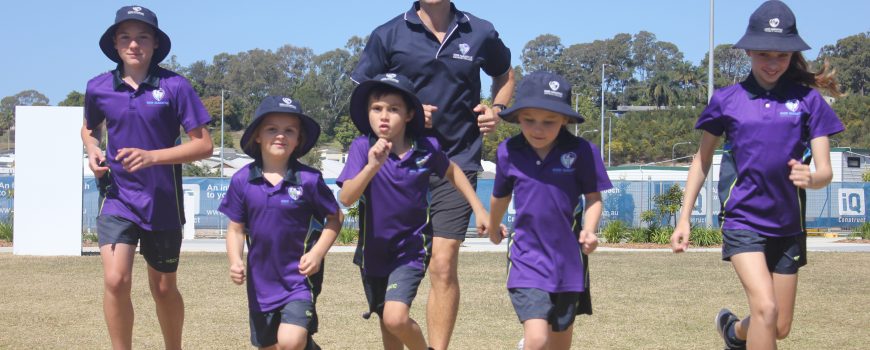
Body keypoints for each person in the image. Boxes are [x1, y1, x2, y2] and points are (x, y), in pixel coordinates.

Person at [669, 2, 845, 349]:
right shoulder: (726, 100)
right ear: (748, 50)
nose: (772, 62)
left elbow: (825, 170)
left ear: (792, 54)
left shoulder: (808, 101)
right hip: (743, 220)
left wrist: (814, 178)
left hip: (788, 227)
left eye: (781, 55)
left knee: (779, 325)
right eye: (764, 53)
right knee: (764, 308)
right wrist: (684, 218)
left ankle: (734, 333)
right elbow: (701, 160)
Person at [351, 2, 514, 347]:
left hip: (457, 160)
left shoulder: (480, 30)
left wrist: (497, 109)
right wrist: (404, 115)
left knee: (443, 261)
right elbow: (363, 94)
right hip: (398, 164)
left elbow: (505, 74)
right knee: (388, 272)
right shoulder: (388, 34)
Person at [81, 5, 213, 349]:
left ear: (155, 44)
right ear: (115, 43)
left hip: (163, 204)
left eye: (142, 37)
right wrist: (93, 149)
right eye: (125, 37)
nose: (134, 44)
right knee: (115, 280)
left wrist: (152, 157)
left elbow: (204, 146)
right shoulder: (98, 87)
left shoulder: (176, 86)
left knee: (164, 288)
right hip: (118, 198)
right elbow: (88, 129)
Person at [337, 73, 489, 350]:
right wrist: (372, 166)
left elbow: (453, 171)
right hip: (372, 254)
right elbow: (346, 198)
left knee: (396, 318)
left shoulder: (425, 148)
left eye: (393, 109)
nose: (384, 116)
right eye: (377, 108)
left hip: (410, 251)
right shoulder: (362, 147)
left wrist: (480, 209)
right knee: (389, 330)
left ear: (409, 115)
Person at [487, 71, 612, 350]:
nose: (538, 129)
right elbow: (500, 196)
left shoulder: (583, 151)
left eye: (549, 121)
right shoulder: (509, 151)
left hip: (568, 261)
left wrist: (589, 231)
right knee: (537, 339)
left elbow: (594, 198)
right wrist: (493, 226)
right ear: (518, 117)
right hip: (526, 257)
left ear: (565, 119)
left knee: (558, 343)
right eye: (529, 120)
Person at [219, 96, 342, 350]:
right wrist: (235, 260)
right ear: (257, 136)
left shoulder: (309, 180)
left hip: (299, 279)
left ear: (299, 140)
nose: (280, 136)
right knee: (270, 346)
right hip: (260, 285)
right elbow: (235, 228)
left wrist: (317, 254)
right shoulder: (242, 180)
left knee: (290, 341)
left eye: (289, 130)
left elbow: (335, 218)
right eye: (272, 129)